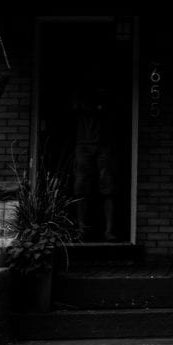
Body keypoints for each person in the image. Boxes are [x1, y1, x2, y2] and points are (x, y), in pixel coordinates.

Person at [72, 85, 115, 241]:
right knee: (81, 187)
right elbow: (77, 106)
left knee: (107, 188)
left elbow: (109, 108)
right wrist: (96, 106)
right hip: (84, 145)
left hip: (103, 145)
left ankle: (108, 231)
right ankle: (82, 229)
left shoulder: (106, 94)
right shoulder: (80, 93)